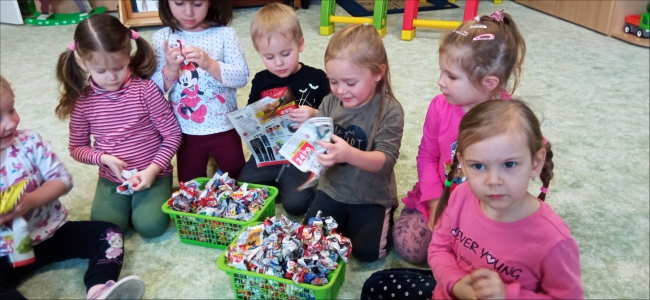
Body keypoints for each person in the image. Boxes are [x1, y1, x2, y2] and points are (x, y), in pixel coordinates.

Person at [363, 99, 584, 299]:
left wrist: (508, 295)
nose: (493, 180)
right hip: (450, 291)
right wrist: (456, 283)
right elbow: (439, 249)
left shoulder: (554, 240)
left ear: (535, 163)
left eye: (509, 164)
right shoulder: (461, 195)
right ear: (462, 164)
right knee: (374, 285)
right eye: (478, 166)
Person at [394, 9, 526, 264]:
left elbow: (521, 166)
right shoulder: (439, 106)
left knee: (496, 259)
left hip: (486, 204)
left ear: (488, 83)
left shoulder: (510, 119)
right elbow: (427, 155)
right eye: (442, 71)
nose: (440, 82)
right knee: (410, 248)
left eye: (451, 76)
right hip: (442, 194)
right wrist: (434, 203)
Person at [0, 75, 145, 300]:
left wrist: (31, 201)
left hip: (51, 232)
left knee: (109, 233)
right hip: (5, 253)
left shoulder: (29, 142)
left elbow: (62, 179)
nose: (10, 123)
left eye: (11, 110)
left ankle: (99, 290)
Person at [55, 14, 182, 238]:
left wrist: (152, 171)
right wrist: (103, 159)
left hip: (154, 173)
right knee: (106, 227)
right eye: (101, 71)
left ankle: (151, 197)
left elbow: (172, 135)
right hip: (111, 178)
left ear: (128, 55)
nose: (112, 77)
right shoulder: (83, 101)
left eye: (119, 67)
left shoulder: (146, 90)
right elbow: (77, 148)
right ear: (82, 62)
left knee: (150, 227)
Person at [301, 24, 404, 262]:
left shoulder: (390, 110)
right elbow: (319, 142)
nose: (340, 90)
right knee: (309, 241)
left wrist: (348, 154)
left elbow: (386, 160)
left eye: (350, 82)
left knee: (368, 254)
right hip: (332, 188)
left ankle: (383, 214)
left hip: (371, 195)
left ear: (378, 73)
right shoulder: (328, 102)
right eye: (333, 81)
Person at [238, 3, 331, 216]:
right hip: (270, 152)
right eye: (269, 57)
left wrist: (314, 114)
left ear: (300, 44)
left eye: (286, 53)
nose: (278, 62)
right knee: (244, 189)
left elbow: (335, 116)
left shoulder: (317, 78)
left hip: (303, 154)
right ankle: (278, 183)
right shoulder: (261, 79)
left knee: (296, 206)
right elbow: (251, 115)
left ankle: (303, 184)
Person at [152, 0, 249, 182]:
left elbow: (242, 77)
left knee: (238, 179)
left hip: (224, 125)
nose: (188, 12)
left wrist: (210, 64)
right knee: (189, 184)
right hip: (185, 130)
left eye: (197, 4)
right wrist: (170, 70)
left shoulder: (225, 34)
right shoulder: (162, 38)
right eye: (179, 3)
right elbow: (154, 90)